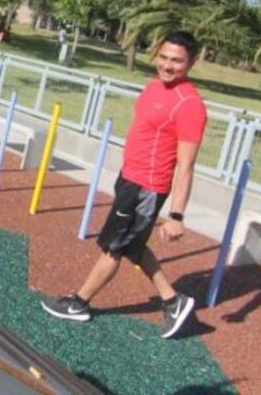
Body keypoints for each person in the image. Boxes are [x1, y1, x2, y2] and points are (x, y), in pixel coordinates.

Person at [41, 30, 207, 339]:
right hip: (129, 179)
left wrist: (176, 216)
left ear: (192, 63)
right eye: (164, 57)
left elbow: (186, 165)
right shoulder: (154, 87)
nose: (168, 66)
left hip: (147, 187)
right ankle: (173, 300)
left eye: (177, 61)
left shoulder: (189, 105)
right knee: (133, 245)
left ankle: (79, 302)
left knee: (113, 247)